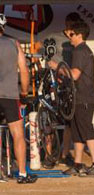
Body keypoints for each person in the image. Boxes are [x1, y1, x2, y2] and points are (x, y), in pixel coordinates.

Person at [48, 21, 94, 177]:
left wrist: (57, 67)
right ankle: (78, 164)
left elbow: (74, 74)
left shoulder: (80, 51)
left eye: (71, 34)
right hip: (79, 97)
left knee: (86, 130)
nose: (69, 37)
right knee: (77, 132)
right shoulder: (83, 50)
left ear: (80, 35)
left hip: (83, 98)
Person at [37, 12, 83, 169]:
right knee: (49, 119)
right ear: (66, 22)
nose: (72, 27)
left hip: (69, 84)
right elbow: (37, 47)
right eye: (70, 24)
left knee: (69, 121)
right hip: (53, 82)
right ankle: (49, 155)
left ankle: (64, 154)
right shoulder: (54, 37)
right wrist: (41, 68)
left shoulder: (77, 40)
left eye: (75, 24)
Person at [0, 13, 37, 184]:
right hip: (9, 94)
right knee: (17, 134)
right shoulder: (13, 44)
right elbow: (24, 70)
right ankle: (22, 173)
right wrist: (24, 92)